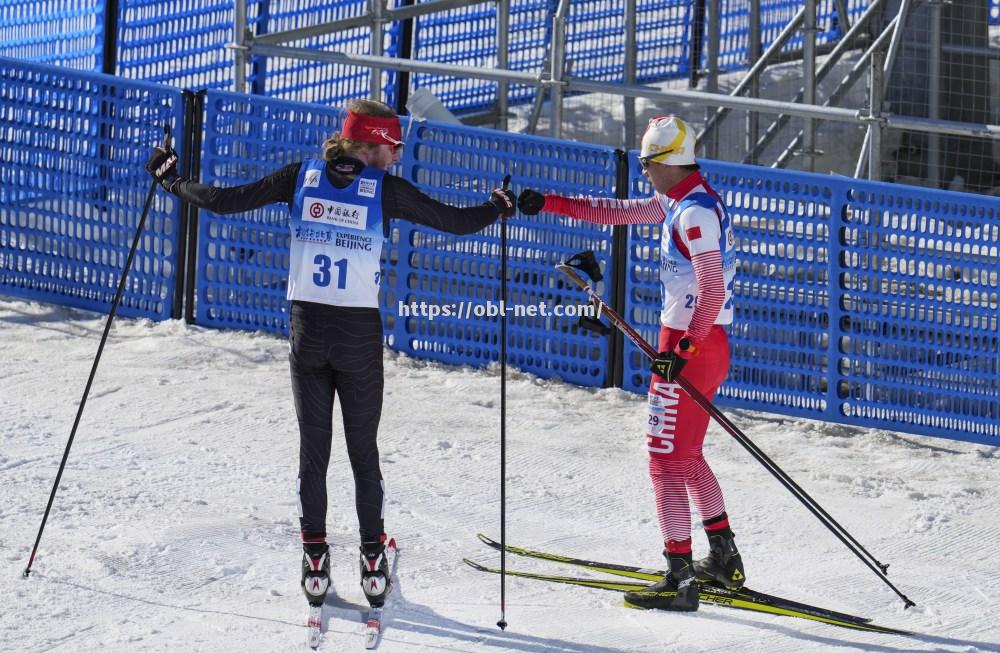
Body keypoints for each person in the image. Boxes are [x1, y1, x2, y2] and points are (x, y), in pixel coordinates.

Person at [145, 99, 516, 611]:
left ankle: (315, 561)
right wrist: (499, 205)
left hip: (308, 333)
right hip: (358, 336)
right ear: (368, 145)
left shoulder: (300, 177)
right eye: (393, 146)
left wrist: (171, 180)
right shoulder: (385, 189)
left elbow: (223, 200)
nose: (397, 156)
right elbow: (455, 223)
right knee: (363, 454)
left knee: (313, 454)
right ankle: (371, 563)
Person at [517, 115, 743, 612]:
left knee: (663, 461)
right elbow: (613, 212)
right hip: (697, 344)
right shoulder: (681, 199)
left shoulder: (694, 214)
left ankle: (680, 577)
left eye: (646, 163)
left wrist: (681, 353)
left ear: (667, 162)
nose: (642, 171)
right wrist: (548, 203)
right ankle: (723, 558)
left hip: (692, 345)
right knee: (686, 456)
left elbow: (713, 291)